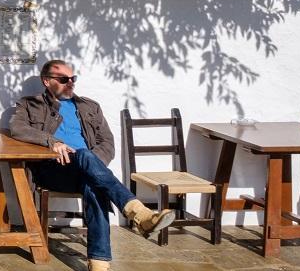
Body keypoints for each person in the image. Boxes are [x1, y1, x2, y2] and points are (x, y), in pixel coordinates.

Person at [9, 59, 176, 271]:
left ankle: (99, 263)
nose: (70, 83)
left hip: (87, 167)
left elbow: (107, 143)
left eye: (73, 78)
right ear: (46, 81)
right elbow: (17, 128)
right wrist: (52, 142)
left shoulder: (89, 106)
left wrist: (91, 163)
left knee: (93, 183)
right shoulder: (30, 104)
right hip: (53, 169)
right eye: (63, 79)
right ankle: (139, 214)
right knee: (88, 161)